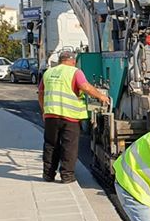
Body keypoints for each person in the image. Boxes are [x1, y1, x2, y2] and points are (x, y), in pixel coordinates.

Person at [38, 48, 109, 184]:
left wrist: (44, 111)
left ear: (60, 61)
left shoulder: (48, 73)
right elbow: (86, 87)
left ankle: (48, 175)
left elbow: (41, 93)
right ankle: (67, 176)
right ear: (73, 61)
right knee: (68, 146)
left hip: (51, 115)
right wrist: (101, 96)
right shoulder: (75, 72)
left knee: (50, 145)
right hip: (69, 117)